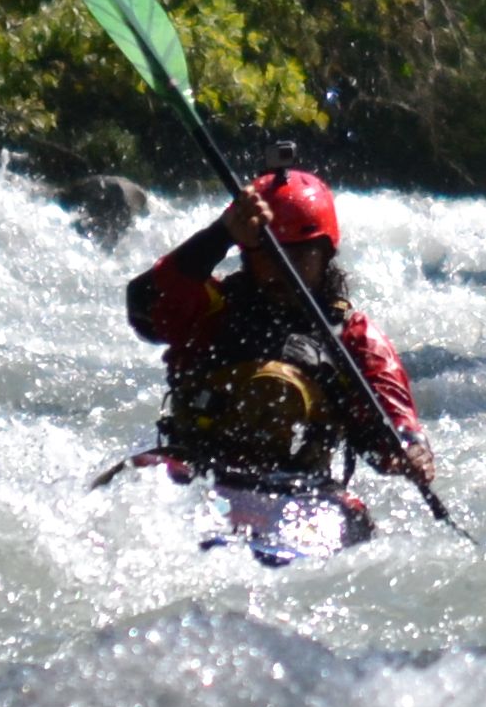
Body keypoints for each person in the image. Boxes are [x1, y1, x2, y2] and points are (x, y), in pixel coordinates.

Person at [128, 170, 435, 537]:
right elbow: (143, 305)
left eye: (300, 255)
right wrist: (220, 234)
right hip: (198, 475)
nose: (283, 269)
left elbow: (393, 422)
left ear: (325, 254)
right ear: (247, 254)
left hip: (298, 489)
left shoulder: (353, 338)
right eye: (269, 255)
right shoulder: (209, 307)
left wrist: (408, 449)